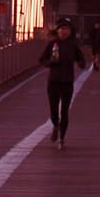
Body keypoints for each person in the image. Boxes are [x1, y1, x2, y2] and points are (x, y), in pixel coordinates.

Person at [39, 17, 87, 148]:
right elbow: (42, 60)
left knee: (65, 111)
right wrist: (50, 63)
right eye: (62, 29)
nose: (64, 31)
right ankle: (55, 125)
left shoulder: (73, 46)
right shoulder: (52, 44)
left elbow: (81, 59)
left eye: (67, 29)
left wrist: (81, 63)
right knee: (53, 111)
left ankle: (62, 138)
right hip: (53, 81)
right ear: (58, 30)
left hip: (67, 81)